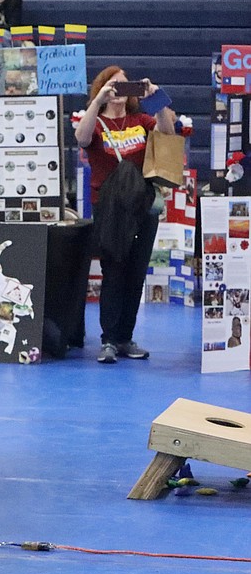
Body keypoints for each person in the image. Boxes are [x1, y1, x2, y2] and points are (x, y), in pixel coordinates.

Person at [75, 65, 176, 364]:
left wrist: (156, 99)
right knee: (114, 270)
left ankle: (125, 338)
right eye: (113, 85)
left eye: (124, 85)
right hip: (109, 209)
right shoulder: (96, 122)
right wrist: (98, 102)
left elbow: (168, 134)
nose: (119, 91)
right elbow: (82, 138)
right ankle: (108, 339)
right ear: (102, 88)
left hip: (142, 207)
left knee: (135, 272)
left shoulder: (141, 120)